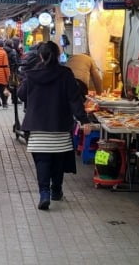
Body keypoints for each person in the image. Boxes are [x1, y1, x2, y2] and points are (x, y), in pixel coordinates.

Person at [18, 42, 89, 211]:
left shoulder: (32, 74)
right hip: (59, 125)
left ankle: (44, 194)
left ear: (40, 56)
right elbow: (74, 99)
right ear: (58, 55)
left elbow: (20, 95)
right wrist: (84, 119)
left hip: (37, 127)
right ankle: (56, 191)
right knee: (58, 160)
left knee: (42, 161)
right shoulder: (65, 74)